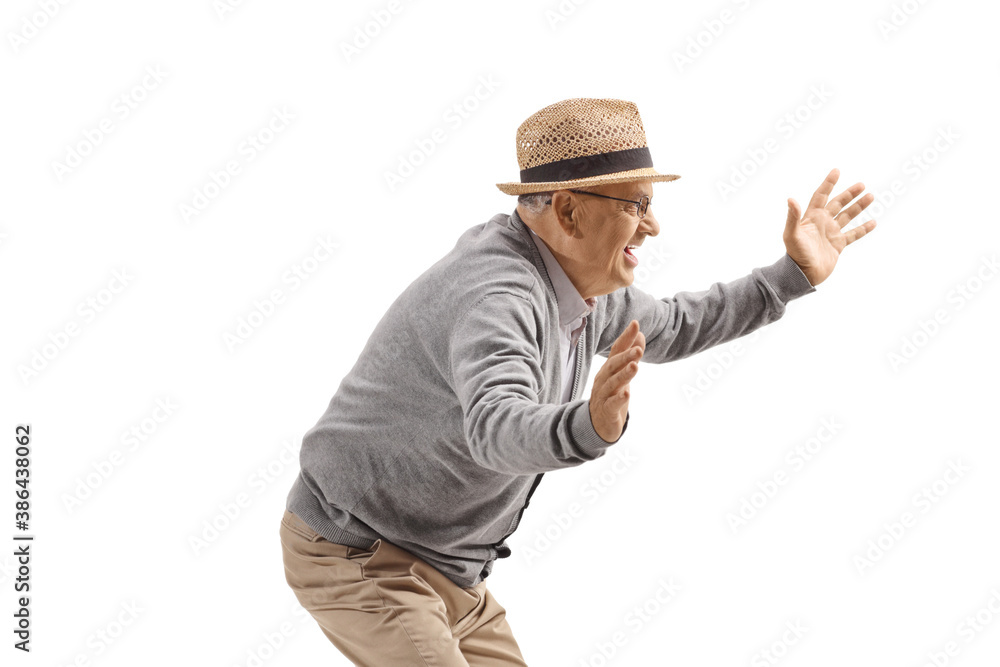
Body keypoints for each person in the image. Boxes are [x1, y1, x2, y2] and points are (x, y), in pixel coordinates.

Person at [278, 97, 877, 665]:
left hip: (449, 569)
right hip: (356, 551)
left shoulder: (581, 289)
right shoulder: (497, 296)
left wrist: (791, 275)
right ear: (568, 210)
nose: (653, 226)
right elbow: (495, 426)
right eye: (635, 206)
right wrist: (585, 424)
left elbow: (673, 323)